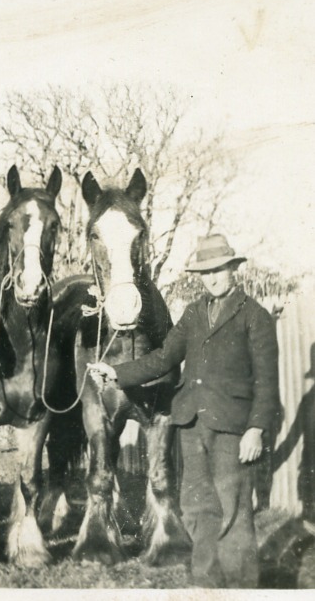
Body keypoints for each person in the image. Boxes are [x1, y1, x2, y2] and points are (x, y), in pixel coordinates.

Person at [87, 234, 280, 589]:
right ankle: (206, 584)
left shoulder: (255, 316)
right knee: (196, 509)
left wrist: (256, 429)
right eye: (205, 272)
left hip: (233, 429)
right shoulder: (193, 313)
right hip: (191, 424)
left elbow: (268, 383)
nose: (212, 278)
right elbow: (163, 358)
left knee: (234, 511)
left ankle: (240, 587)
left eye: (219, 270)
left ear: (233, 270)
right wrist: (117, 373)